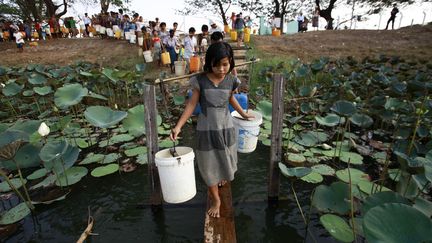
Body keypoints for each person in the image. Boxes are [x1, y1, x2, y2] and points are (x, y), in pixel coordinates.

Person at [170, 42, 254, 218]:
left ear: (230, 61)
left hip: (226, 128)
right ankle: (216, 200)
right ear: (210, 62)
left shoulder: (231, 80)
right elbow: (192, 104)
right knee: (208, 165)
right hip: (206, 129)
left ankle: (222, 176)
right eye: (217, 64)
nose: (222, 69)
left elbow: (231, 100)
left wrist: (244, 115)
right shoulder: (200, 80)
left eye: (225, 64)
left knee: (225, 159)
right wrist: (178, 126)